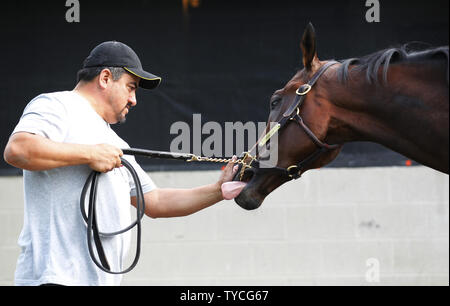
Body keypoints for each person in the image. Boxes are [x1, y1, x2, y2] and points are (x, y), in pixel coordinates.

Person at [3, 41, 238, 286]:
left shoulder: (115, 143)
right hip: (54, 279)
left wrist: (217, 190)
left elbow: (156, 202)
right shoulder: (57, 105)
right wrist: (89, 155)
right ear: (105, 78)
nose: (134, 100)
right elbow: (18, 149)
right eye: (131, 87)